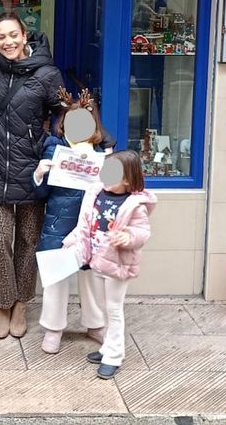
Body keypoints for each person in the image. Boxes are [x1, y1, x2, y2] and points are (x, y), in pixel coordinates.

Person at [0, 11, 64, 339]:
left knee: (29, 241)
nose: (7, 42)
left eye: (12, 35)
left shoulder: (47, 72)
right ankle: (3, 302)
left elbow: (63, 114)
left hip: (33, 170)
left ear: (24, 34)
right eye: (0, 37)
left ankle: (22, 304)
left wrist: (53, 147)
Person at [32, 87, 116, 354]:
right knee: (56, 277)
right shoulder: (54, 148)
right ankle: (53, 328)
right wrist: (40, 173)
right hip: (59, 222)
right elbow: (41, 192)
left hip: (92, 226)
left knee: (91, 277)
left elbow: (116, 190)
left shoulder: (104, 152)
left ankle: (95, 324)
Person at [60, 150, 156, 380]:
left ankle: (114, 356)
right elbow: (85, 224)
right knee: (104, 308)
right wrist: (72, 241)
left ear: (127, 179)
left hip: (118, 265)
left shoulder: (135, 204)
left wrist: (128, 237)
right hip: (97, 262)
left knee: (114, 310)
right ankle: (106, 349)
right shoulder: (96, 194)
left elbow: (143, 232)